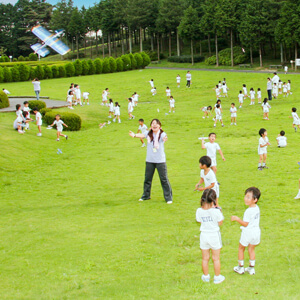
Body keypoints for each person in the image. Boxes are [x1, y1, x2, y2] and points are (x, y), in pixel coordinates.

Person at [129, 119, 173, 204]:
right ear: (151, 126)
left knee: (164, 179)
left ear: (159, 126)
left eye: (156, 123)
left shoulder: (162, 133)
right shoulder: (148, 133)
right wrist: (134, 135)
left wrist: (165, 139)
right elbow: (142, 135)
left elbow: (165, 137)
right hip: (150, 160)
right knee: (147, 179)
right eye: (153, 123)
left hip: (160, 161)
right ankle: (146, 195)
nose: (154, 125)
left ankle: (168, 198)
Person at [196, 189, 225, 284]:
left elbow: (199, 221)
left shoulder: (199, 211)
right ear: (214, 201)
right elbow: (220, 223)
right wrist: (219, 210)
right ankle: (217, 277)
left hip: (204, 235)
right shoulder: (216, 212)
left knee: (205, 258)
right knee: (216, 258)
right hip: (214, 236)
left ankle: (206, 276)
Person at [231, 187, 261, 276]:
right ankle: (251, 268)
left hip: (248, 232)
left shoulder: (248, 211)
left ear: (255, 199)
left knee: (241, 248)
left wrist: (237, 219)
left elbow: (245, 224)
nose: (245, 198)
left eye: (248, 197)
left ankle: (240, 267)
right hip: (256, 232)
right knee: (251, 249)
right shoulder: (257, 208)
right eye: (245, 196)